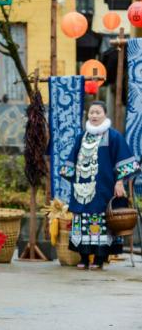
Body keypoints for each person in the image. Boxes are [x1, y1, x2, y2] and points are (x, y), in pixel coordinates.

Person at [60, 101, 139, 270]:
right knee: (81, 221)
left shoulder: (113, 136)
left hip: (103, 188)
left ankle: (99, 259)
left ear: (105, 115)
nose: (94, 116)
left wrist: (120, 181)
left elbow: (124, 160)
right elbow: (72, 160)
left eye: (98, 112)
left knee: (101, 222)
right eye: (91, 113)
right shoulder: (81, 137)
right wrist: (70, 174)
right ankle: (83, 257)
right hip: (81, 189)